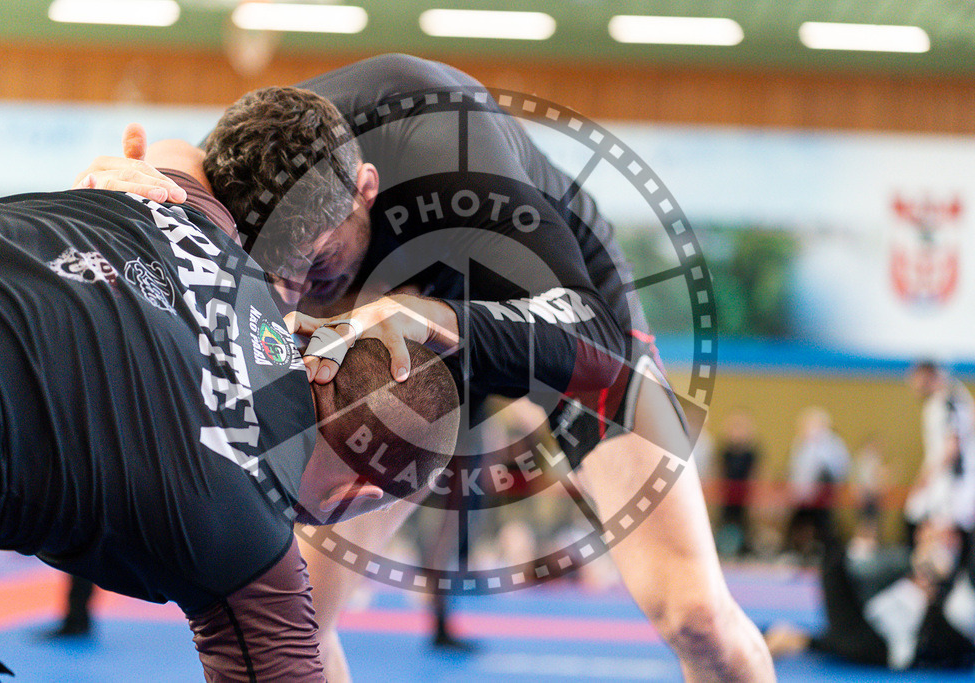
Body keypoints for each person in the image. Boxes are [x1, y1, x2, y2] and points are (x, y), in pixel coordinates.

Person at [77, 53, 775, 681]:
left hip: (550, 303)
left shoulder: (458, 159)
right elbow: (178, 164)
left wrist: (442, 319)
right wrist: (145, 187)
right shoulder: (242, 168)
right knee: (297, 615)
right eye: (277, 276)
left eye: (318, 266)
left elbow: (596, 347)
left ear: (366, 189)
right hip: (396, 339)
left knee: (693, 614)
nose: (295, 295)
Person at [0, 150, 460, 680]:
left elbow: (183, 154)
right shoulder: (254, 541)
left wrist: (135, 164)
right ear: (357, 495)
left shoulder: (208, 227)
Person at [765, 521, 975, 670]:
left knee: (833, 565)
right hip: (872, 631)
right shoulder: (910, 563)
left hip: (881, 645)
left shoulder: (945, 567)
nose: (925, 533)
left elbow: (940, 576)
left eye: (932, 530)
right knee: (788, 636)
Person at [905, 361, 975, 546]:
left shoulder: (947, 400)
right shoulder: (956, 395)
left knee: (934, 530)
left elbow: (953, 445)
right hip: (953, 481)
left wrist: (926, 477)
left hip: (952, 482)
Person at [785, 407, 850, 558]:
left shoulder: (832, 444)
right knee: (798, 523)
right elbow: (796, 469)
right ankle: (796, 551)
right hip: (803, 495)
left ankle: (829, 554)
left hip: (824, 496)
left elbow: (840, 468)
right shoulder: (800, 443)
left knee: (824, 526)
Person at [715, 410, 759, 557]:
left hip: (745, 497)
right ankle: (723, 547)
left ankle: (744, 548)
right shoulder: (725, 451)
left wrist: (754, 496)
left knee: (744, 523)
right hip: (727, 496)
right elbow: (718, 471)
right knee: (725, 520)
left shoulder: (751, 453)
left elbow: (756, 474)